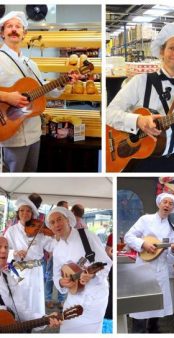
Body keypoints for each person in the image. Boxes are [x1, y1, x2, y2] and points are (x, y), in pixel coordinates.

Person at [106, 22, 174, 172]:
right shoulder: (141, 81)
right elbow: (109, 114)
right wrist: (138, 120)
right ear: (162, 52)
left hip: (173, 161)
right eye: (171, 48)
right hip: (140, 162)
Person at [0, 11, 76, 172]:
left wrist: (63, 82)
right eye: (9, 26)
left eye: (18, 27)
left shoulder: (31, 64)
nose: (14, 29)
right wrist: (7, 96)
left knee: (30, 173)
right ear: (2, 33)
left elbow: (44, 90)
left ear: (24, 34)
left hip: (34, 134)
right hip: (9, 133)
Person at [47, 206, 112, 333]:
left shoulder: (87, 236)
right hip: (73, 297)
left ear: (68, 220)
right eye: (52, 222)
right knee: (67, 330)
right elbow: (56, 276)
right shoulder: (57, 248)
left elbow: (106, 263)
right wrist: (61, 282)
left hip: (95, 296)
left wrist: (92, 275)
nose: (56, 225)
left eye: (59, 219)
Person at [124, 193, 174, 333]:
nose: (167, 205)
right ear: (159, 204)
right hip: (142, 267)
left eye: (170, 203)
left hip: (160, 270)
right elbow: (128, 237)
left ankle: (153, 328)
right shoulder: (145, 219)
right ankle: (138, 331)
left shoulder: (172, 227)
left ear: (173, 208)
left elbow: (171, 257)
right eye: (165, 202)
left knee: (157, 303)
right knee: (141, 304)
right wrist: (143, 244)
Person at [4, 197, 54, 317]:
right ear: (18, 213)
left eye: (28, 211)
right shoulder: (11, 231)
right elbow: (3, 250)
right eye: (22, 210)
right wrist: (14, 253)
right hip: (18, 270)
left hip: (36, 270)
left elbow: (51, 246)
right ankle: (20, 322)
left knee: (34, 297)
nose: (25, 213)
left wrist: (55, 236)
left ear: (32, 213)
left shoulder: (39, 229)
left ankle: (34, 321)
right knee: (20, 297)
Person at [0, 236, 61, 332]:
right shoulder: (12, 231)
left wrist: (45, 318)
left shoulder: (9, 280)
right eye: (0, 247)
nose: (4, 250)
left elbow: (22, 310)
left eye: (6, 247)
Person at [45, 200, 67, 310]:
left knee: (64, 276)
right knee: (50, 277)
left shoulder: (68, 223)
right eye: (64, 208)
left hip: (65, 257)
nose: (66, 210)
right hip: (54, 255)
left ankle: (61, 300)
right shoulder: (52, 221)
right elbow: (48, 245)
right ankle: (48, 299)